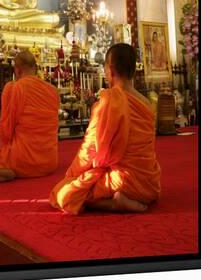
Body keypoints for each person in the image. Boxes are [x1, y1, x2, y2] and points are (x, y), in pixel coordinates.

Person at [50, 43, 161, 214]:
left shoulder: (108, 101)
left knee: (64, 192)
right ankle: (126, 199)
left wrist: (72, 176)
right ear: (133, 70)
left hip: (123, 181)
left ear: (110, 70)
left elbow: (90, 150)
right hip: (149, 184)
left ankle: (115, 204)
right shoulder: (146, 104)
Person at [0, 50, 60, 184]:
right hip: (49, 162)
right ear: (35, 69)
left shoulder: (15, 88)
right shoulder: (53, 91)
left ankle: (5, 170)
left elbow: (5, 130)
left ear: (17, 71)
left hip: (23, 161)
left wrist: (6, 150)